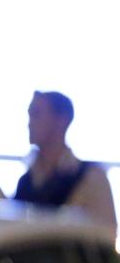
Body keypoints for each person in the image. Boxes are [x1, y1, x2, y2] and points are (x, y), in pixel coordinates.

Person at [16, 91, 117, 238]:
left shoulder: (92, 180)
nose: (29, 123)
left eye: (36, 114)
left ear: (61, 121)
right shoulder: (26, 181)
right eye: (30, 114)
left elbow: (106, 237)